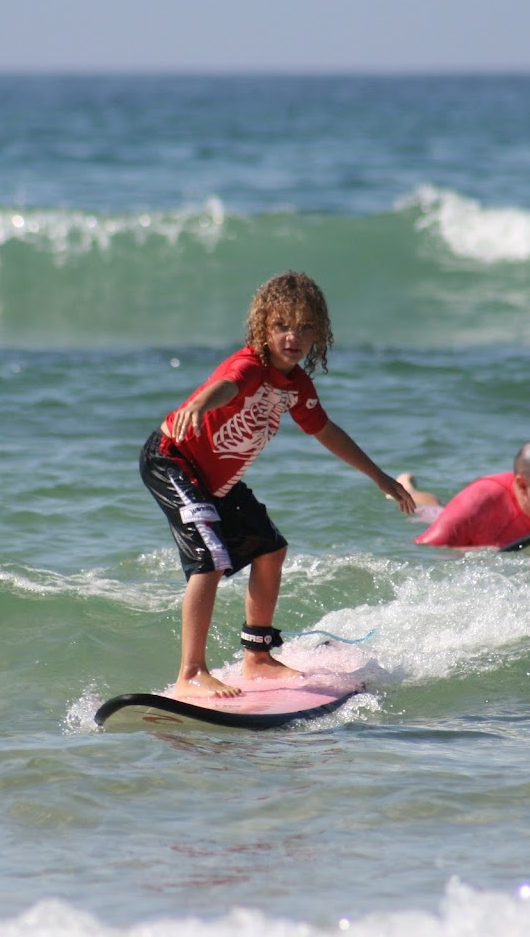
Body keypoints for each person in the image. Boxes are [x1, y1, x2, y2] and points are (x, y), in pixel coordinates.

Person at [140, 271, 415, 699]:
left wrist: (379, 476)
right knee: (211, 558)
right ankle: (191, 672)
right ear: (263, 328)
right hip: (172, 460)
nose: (293, 336)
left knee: (270, 548)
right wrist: (198, 402)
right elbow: (227, 385)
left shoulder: (295, 386)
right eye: (282, 325)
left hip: (218, 481)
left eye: (304, 327)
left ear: (318, 333)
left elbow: (325, 431)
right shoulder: (251, 367)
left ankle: (258, 657)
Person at [398, 440, 530, 549]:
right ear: (523, 486)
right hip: (457, 521)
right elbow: (424, 550)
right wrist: (482, 554)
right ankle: (407, 488)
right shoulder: (478, 502)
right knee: (430, 511)